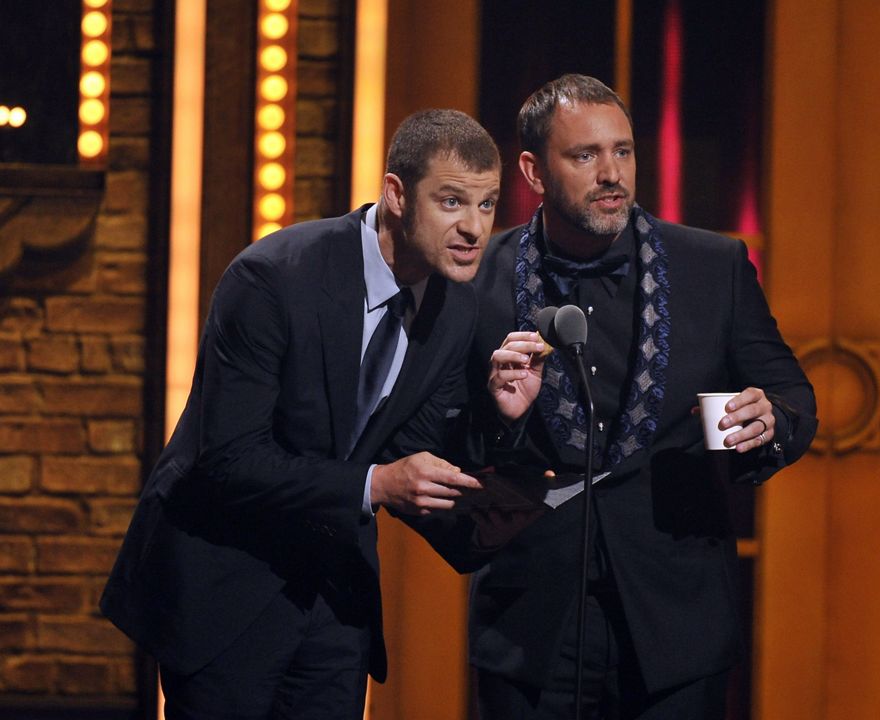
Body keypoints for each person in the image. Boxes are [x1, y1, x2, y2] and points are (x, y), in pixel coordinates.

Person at [434, 74, 818, 718]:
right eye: (585, 156)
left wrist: (770, 420)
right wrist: (498, 424)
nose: (612, 172)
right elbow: (439, 437)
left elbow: (790, 396)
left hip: (677, 623)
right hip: (532, 627)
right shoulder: (476, 281)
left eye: (623, 151)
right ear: (532, 170)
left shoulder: (713, 265)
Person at [100, 109, 501, 718]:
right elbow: (229, 460)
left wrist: (502, 413)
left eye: (489, 205)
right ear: (396, 193)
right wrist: (376, 483)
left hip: (333, 600)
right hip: (225, 584)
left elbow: (411, 447)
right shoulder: (274, 278)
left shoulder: (455, 309)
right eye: (452, 202)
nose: (474, 228)